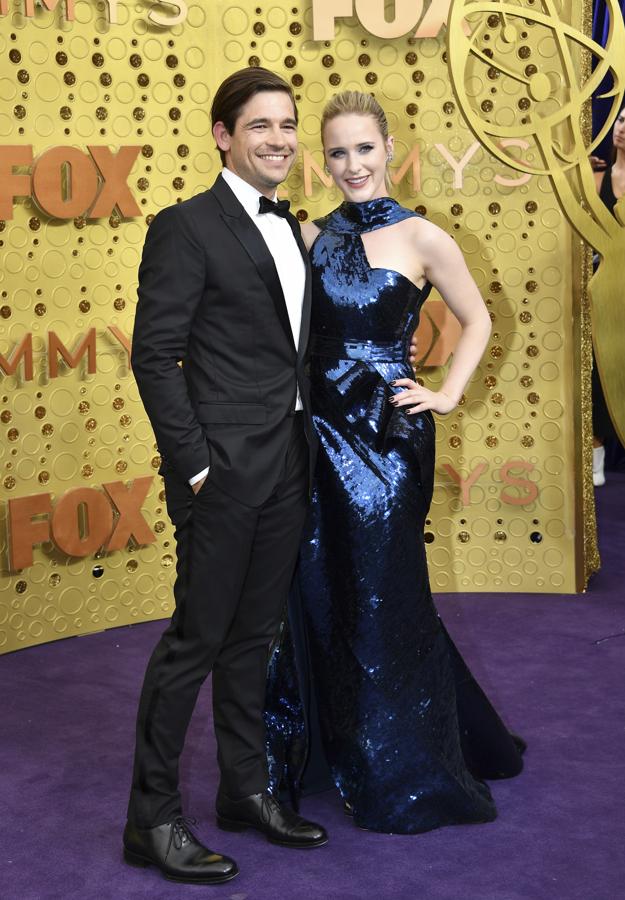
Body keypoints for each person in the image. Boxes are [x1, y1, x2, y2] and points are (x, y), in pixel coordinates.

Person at [265, 91, 524, 835]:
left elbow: (479, 318)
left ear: (388, 149)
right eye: (337, 152)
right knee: (320, 584)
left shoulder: (424, 236)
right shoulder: (309, 235)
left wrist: (445, 393)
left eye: (363, 148)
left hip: (386, 438)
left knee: (384, 591)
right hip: (314, 432)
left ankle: (402, 764)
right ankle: (332, 748)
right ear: (323, 159)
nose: (352, 164)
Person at [124, 67, 328, 885]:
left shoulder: (295, 227)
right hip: (222, 472)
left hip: (287, 460)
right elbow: (154, 354)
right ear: (222, 135)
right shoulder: (185, 226)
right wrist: (198, 466)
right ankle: (151, 819)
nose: (279, 139)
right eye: (259, 126)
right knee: (196, 642)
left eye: (287, 124)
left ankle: (245, 790)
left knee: (254, 637)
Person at [591, 106, 625, 486]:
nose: (623, 129)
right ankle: (596, 452)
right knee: (598, 369)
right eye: (622, 120)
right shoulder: (596, 176)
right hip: (599, 289)